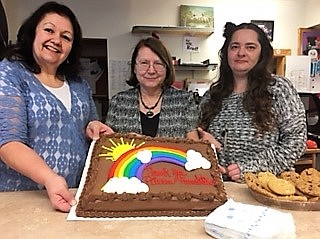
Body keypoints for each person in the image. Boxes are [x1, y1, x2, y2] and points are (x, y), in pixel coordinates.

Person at [0, 1, 113, 212]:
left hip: (73, 198)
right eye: (49, 30)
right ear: (33, 32)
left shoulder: (79, 85)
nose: (56, 40)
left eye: (66, 37)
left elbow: (90, 123)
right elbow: (8, 143)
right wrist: (50, 178)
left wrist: (94, 127)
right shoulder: (10, 73)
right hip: (22, 201)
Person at [198, 22, 307, 182]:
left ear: (261, 53)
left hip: (264, 190)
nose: (241, 53)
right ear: (226, 52)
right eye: (234, 47)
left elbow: (295, 142)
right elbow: (199, 139)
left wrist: (248, 168)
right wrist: (209, 147)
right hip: (218, 189)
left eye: (250, 47)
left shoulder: (279, 89)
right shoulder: (212, 95)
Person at [106, 37, 199, 139]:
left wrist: (145, 143)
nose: (151, 70)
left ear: (167, 68)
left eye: (158, 63)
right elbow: (109, 146)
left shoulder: (185, 101)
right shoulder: (118, 102)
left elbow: (194, 149)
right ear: (134, 68)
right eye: (144, 63)